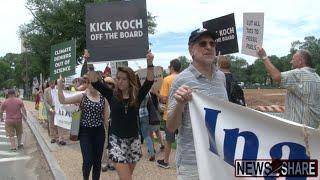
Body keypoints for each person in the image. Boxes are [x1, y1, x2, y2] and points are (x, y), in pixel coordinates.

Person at [166, 28, 228, 179]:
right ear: (191, 50)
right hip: (192, 163)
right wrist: (180, 104)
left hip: (220, 158)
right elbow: (171, 127)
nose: (209, 47)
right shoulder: (181, 80)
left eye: (212, 44)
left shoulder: (221, 77)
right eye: (203, 43)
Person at [87, 52, 154, 180]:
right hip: (116, 141)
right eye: (118, 78)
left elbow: (149, 81)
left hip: (133, 141)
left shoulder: (137, 96)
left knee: (127, 175)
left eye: (124, 78)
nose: (120, 81)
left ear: (130, 80)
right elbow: (95, 82)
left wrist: (150, 62)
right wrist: (89, 62)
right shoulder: (111, 94)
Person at [57, 75, 110, 180]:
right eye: (90, 82)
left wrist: (112, 136)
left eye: (95, 82)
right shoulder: (82, 96)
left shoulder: (104, 99)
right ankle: (85, 177)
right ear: (87, 83)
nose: (92, 85)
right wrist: (59, 86)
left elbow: (106, 121)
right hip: (85, 132)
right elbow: (63, 100)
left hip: (99, 132)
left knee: (97, 162)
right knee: (88, 160)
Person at [257, 47, 320, 128]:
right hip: (312, 129)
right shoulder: (317, 78)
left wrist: (264, 57)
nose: (291, 62)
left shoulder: (299, 74)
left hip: (297, 130)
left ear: (300, 61)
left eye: (293, 59)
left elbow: (276, 76)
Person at [157, 58, 181, 169]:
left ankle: (166, 161)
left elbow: (164, 99)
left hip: (170, 115)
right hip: (182, 114)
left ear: (171, 67)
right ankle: (181, 162)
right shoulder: (183, 78)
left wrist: (157, 94)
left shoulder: (167, 79)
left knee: (169, 140)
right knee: (182, 139)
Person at [43, 79, 66, 145]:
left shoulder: (59, 88)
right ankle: (53, 137)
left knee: (60, 123)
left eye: (52, 82)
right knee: (51, 123)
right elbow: (45, 101)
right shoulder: (46, 90)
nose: (51, 83)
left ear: (54, 82)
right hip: (51, 108)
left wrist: (60, 79)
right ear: (48, 83)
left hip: (59, 108)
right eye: (50, 82)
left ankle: (61, 138)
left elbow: (64, 86)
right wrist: (50, 109)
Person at [101, 76, 116, 172]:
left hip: (113, 122)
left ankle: (111, 161)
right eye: (106, 83)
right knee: (103, 142)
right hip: (102, 122)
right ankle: (104, 162)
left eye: (110, 83)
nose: (108, 85)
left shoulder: (115, 95)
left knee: (112, 143)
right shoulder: (100, 94)